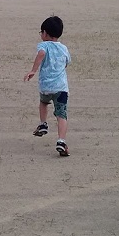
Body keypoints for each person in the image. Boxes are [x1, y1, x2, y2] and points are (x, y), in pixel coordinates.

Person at [24, 16, 71, 157]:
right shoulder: (64, 48)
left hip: (46, 86)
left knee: (44, 103)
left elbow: (42, 54)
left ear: (45, 33)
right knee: (61, 115)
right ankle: (61, 140)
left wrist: (33, 70)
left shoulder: (43, 46)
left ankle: (43, 123)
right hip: (61, 87)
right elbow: (67, 62)